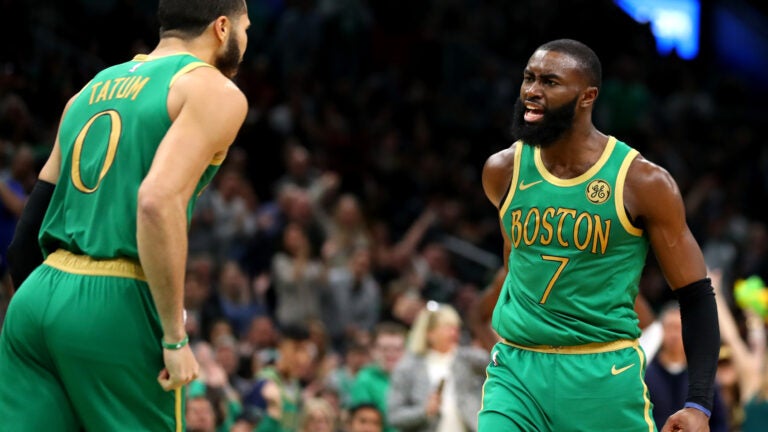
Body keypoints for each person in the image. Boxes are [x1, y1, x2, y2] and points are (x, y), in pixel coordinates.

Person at [0, 1, 250, 430]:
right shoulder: (212, 89)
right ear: (222, 27)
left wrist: (54, 323)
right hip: (115, 300)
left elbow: (25, 235)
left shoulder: (91, 88)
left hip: (33, 301)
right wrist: (175, 336)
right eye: (247, 28)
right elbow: (156, 200)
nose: (247, 40)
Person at [473, 39, 720, 432]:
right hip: (516, 371)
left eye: (550, 82)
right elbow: (517, 263)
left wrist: (699, 404)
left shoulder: (641, 181)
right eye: (528, 78)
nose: (532, 92)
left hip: (602, 373)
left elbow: (695, 294)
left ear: (587, 96)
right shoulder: (502, 170)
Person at [644, 303, 729, 431]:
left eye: (678, 328)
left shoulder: (702, 377)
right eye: (670, 328)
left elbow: (719, 421)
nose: (674, 335)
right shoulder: (646, 375)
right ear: (661, 331)